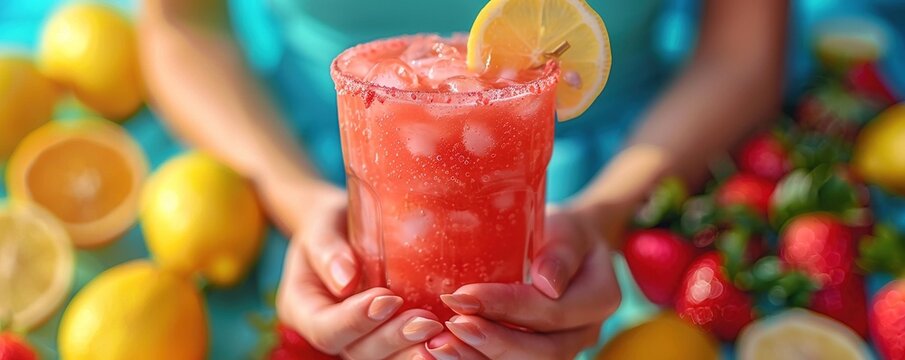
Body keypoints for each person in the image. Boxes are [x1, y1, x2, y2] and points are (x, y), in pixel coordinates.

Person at [138, 0, 788, 358]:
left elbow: (739, 56)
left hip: (644, 150)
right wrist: (293, 195)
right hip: (293, 146)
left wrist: (605, 210)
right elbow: (182, 24)